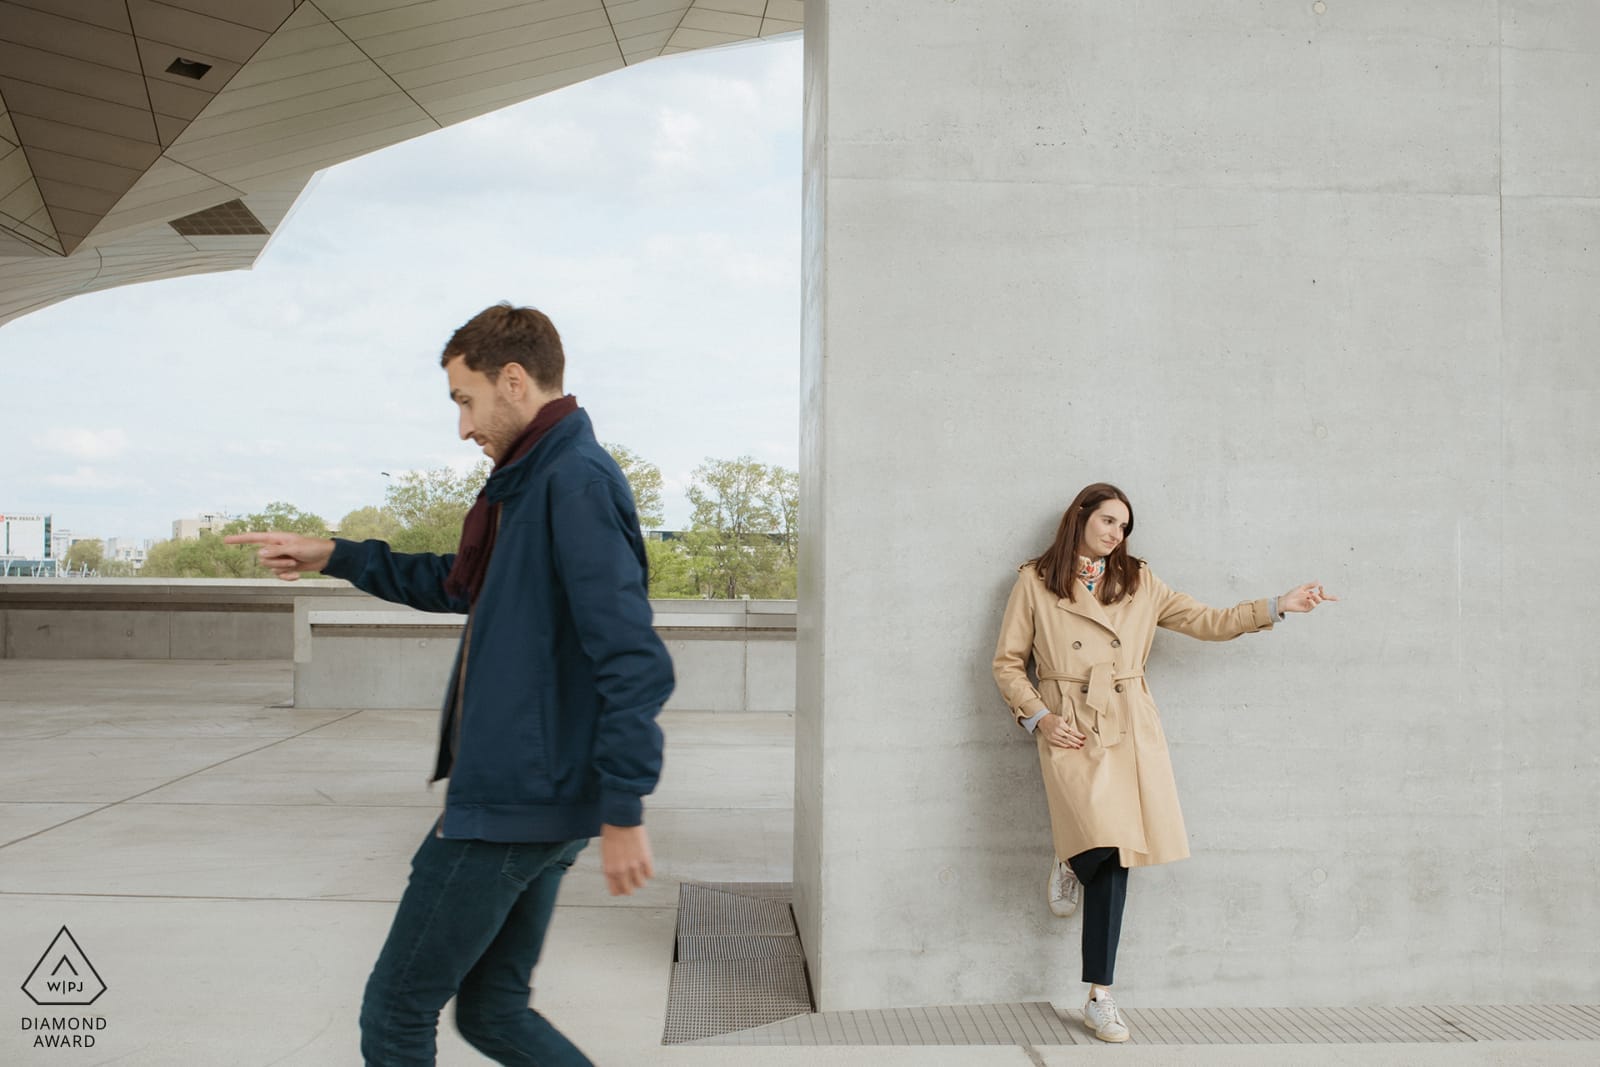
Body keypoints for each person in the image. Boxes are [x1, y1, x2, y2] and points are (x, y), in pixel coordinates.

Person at [226, 303, 674, 1066]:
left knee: (396, 1013)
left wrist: (626, 804)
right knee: (494, 1011)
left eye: (464, 401)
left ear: (512, 379)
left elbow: (633, 654)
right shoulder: (529, 483)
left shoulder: (571, 482)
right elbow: (459, 583)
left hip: (514, 801)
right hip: (533, 794)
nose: (463, 427)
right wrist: (332, 552)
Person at [991, 482, 1334, 1044]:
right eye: (1107, 521)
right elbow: (1007, 664)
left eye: (1124, 527)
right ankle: (1071, 853)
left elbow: (1208, 621)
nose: (1115, 534)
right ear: (1078, 517)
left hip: (1127, 723)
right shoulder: (1034, 581)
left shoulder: (1138, 581)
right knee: (1097, 843)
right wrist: (1039, 717)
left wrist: (1278, 605)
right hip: (1070, 722)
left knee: (1118, 854)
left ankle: (1100, 996)